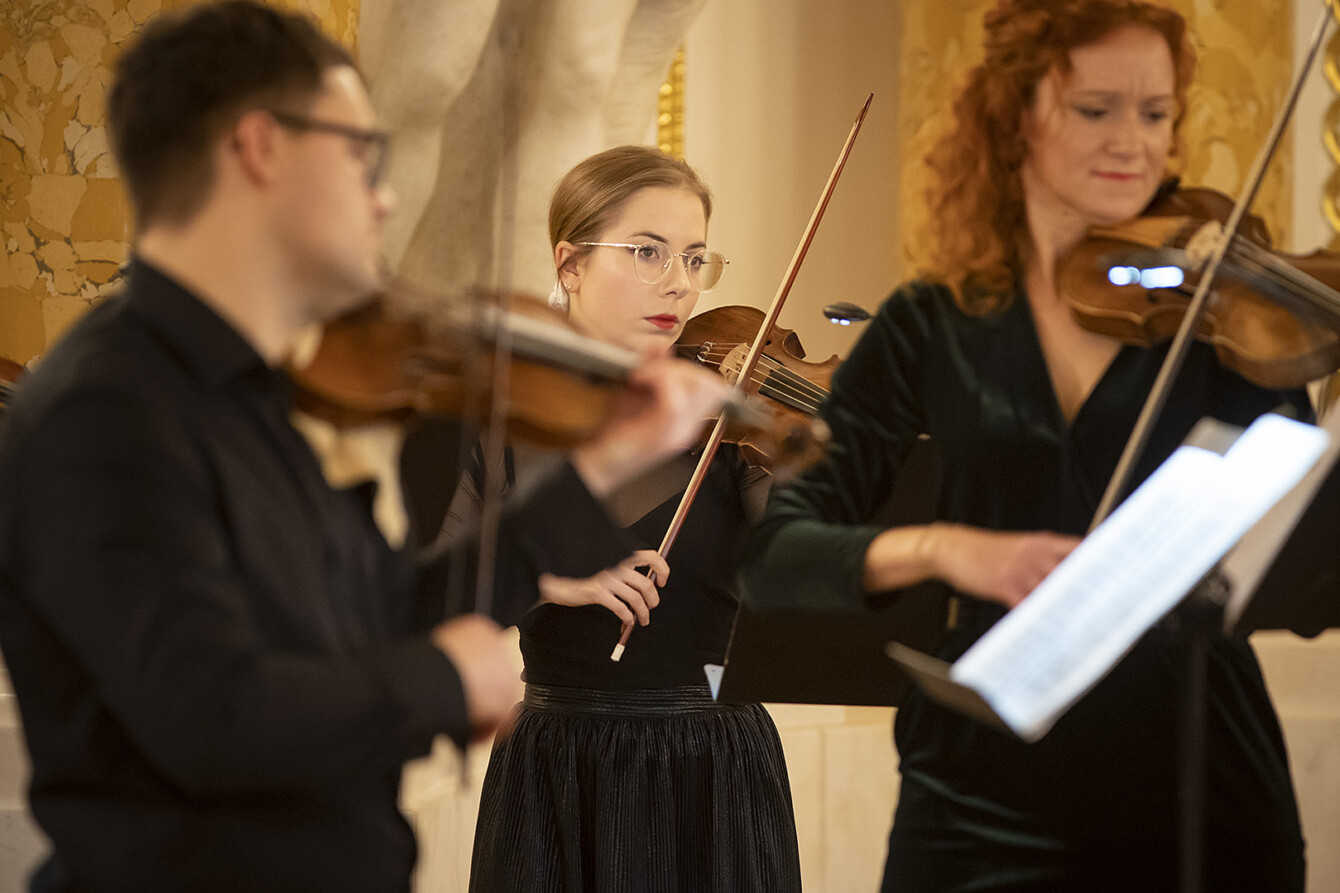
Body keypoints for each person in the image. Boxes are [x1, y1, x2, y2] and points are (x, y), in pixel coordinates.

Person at [0, 4, 728, 891]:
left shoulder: (263, 394)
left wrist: (600, 469)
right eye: (361, 158)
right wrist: (438, 682)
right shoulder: (107, 411)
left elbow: (381, 607)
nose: (385, 198)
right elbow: (208, 716)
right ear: (261, 149)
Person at [741, 1, 1308, 891]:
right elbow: (777, 555)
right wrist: (943, 547)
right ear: (1015, 115)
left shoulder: (1224, 312)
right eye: (1096, 109)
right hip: (981, 794)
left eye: (1155, 113)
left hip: (1201, 780)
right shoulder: (931, 325)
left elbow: (1304, 546)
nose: (1134, 142)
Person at [463, 146, 802, 892]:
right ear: (570, 263)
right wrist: (547, 577)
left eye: (693, 258)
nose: (677, 283)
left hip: (714, 775)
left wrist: (797, 457)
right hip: (557, 769)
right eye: (647, 252)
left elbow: (800, 576)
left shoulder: (732, 425)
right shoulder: (499, 418)